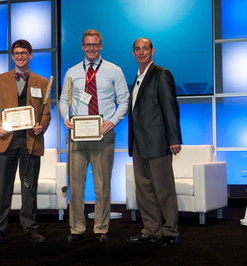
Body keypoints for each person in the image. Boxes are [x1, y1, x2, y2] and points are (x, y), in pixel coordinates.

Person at [59, 29, 129, 243]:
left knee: (102, 184)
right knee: (76, 185)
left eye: (95, 44)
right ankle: (77, 229)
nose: (91, 48)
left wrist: (112, 121)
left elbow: (124, 100)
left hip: (103, 134)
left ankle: (101, 229)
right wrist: (65, 117)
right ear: (82, 46)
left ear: (101, 46)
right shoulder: (72, 72)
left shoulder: (114, 70)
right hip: (76, 136)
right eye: (87, 45)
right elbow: (64, 100)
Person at [0, 39, 51, 245]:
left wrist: (42, 125)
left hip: (31, 141)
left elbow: (46, 113)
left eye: (24, 53)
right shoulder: (0, 79)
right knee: (3, 187)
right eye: (16, 53)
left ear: (30, 55)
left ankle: (30, 228)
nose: (20, 56)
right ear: (12, 56)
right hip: (7, 140)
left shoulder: (41, 81)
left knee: (28, 188)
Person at [126, 37, 182, 247]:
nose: (141, 52)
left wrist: (174, 139)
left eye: (145, 49)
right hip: (139, 144)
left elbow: (170, 108)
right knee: (144, 190)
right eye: (138, 49)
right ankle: (151, 230)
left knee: (164, 189)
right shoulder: (137, 77)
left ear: (152, 51)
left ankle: (170, 231)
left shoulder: (161, 74)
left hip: (158, 142)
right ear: (133, 53)